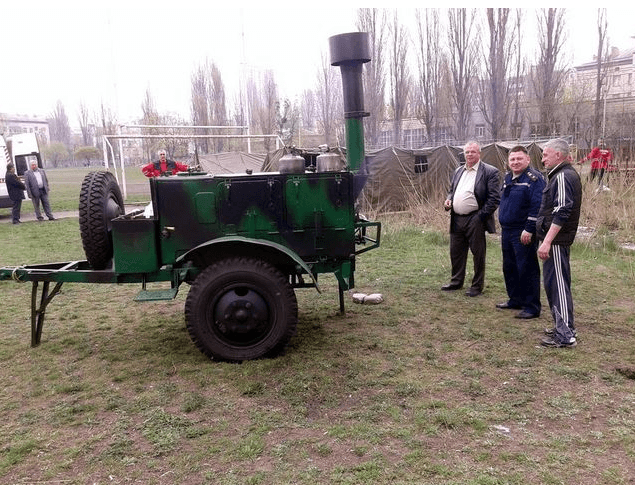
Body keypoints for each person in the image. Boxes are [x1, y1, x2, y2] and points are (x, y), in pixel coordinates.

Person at [537, 138, 582, 348]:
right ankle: (562, 326)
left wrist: (547, 242)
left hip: (556, 242)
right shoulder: (558, 175)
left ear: (558, 155)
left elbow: (563, 210)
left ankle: (565, 335)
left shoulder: (563, 176)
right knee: (554, 284)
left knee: (558, 286)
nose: (542, 158)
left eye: (546, 154)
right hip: (555, 241)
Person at [442, 141, 501, 297]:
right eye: (467, 152)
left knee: (478, 254)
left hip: (475, 218)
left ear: (479, 153)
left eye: (472, 152)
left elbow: (494, 198)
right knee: (456, 252)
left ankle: (476, 286)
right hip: (456, 218)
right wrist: (449, 201)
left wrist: (479, 217)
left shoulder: (489, 172)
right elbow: (451, 191)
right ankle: (456, 281)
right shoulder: (458, 171)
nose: (469, 155)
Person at [497, 146, 546, 319]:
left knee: (526, 268)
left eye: (519, 159)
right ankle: (515, 299)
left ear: (528, 160)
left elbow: (537, 206)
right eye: (512, 159)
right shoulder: (509, 177)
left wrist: (529, 229)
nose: (515, 162)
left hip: (523, 231)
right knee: (509, 266)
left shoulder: (534, 179)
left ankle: (532, 307)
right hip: (507, 230)